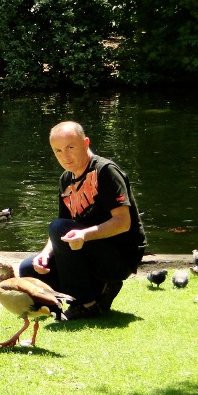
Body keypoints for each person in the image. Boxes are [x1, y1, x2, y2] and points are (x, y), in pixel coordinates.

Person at [19, 121, 146, 320]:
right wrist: (44, 254)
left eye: (70, 147)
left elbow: (123, 222)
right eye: (58, 151)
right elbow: (61, 228)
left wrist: (85, 235)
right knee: (29, 269)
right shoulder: (65, 180)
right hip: (89, 252)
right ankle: (99, 290)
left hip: (120, 255)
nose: (65, 156)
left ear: (85, 143)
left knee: (59, 228)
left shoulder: (106, 171)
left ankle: (85, 304)